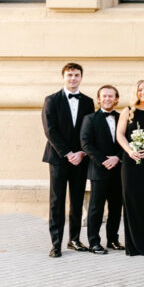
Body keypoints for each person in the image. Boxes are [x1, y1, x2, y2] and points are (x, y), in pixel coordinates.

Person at [41, 62, 94, 257]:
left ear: (81, 77)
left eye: (76, 75)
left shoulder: (88, 102)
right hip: (58, 158)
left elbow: (88, 130)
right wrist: (67, 153)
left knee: (77, 200)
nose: (73, 78)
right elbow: (50, 130)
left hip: (80, 158)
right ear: (63, 77)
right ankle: (56, 243)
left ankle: (74, 239)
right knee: (57, 201)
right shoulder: (51, 100)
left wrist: (81, 152)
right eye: (70, 75)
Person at [115, 80, 144, 256]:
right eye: (140, 89)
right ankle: (134, 244)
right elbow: (120, 134)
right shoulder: (128, 111)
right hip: (131, 161)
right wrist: (129, 151)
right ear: (136, 92)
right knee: (132, 200)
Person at [80, 85, 125, 254]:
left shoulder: (122, 118)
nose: (107, 99)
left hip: (118, 169)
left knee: (115, 208)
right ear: (99, 99)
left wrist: (118, 157)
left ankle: (112, 240)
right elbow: (86, 143)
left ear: (116, 99)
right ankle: (93, 242)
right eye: (104, 96)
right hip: (99, 170)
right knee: (96, 208)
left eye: (111, 96)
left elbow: (127, 141)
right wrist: (104, 161)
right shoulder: (89, 119)